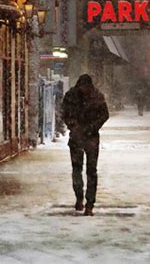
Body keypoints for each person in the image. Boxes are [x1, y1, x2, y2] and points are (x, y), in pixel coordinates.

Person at [61, 74, 109, 216]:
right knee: (79, 169)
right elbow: (64, 113)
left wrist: (90, 128)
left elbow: (104, 115)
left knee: (90, 171)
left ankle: (89, 203)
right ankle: (80, 198)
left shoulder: (95, 97)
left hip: (89, 137)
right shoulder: (76, 96)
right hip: (81, 137)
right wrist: (74, 126)